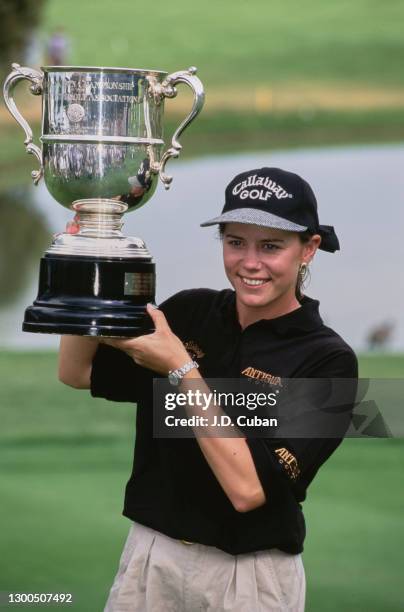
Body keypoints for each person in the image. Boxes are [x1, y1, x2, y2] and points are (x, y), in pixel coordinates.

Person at [59, 167, 358, 612]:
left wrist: (181, 369)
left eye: (270, 246)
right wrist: (86, 266)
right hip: (152, 556)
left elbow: (247, 491)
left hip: (250, 577)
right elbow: (76, 372)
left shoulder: (329, 361)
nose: (249, 262)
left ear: (308, 250)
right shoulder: (190, 311)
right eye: (235, 242)